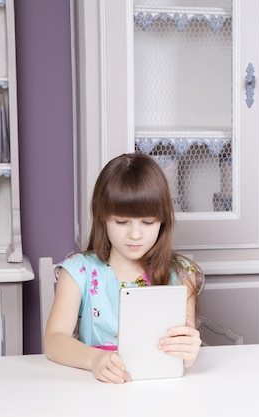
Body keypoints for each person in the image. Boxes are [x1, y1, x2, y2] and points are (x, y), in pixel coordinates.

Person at [44, 153, 204, 383]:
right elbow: (54, 340)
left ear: (163, 220)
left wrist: (188, 350)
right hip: (98, 391)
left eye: (148, 222)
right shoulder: (79, 271)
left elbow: (183, 344)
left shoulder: (181, 275)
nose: (135, 234)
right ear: (102, 216)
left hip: (161, 390)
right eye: (121, 222)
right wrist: (95, 360)